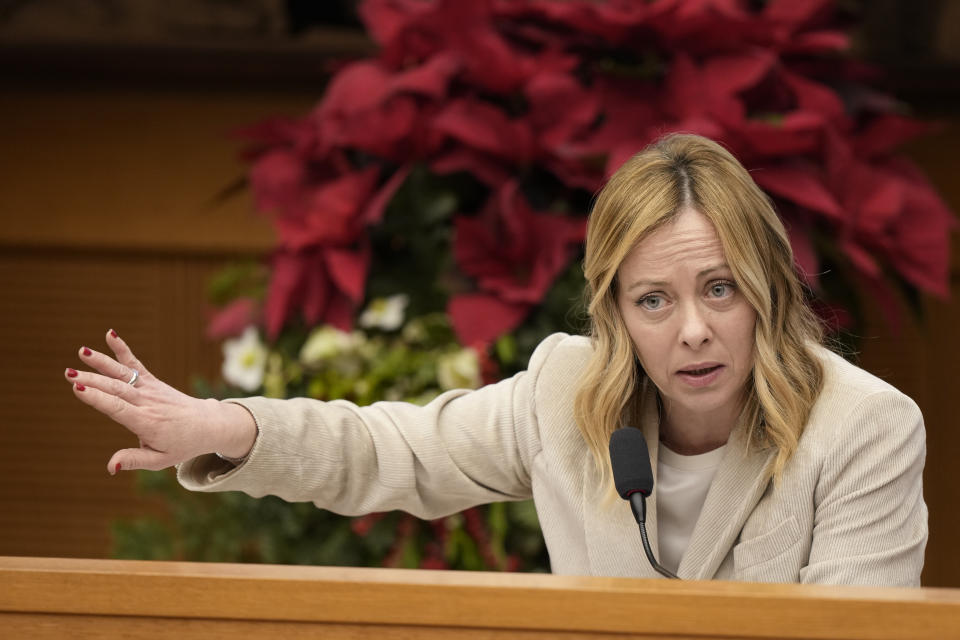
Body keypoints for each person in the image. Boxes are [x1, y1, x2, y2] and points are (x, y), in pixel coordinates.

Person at [65, 133, 927, 586]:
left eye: (720, 289)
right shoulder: (566, 392)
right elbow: (386, 450)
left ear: (768, 289)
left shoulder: (863, 429)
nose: (692, 331)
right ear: (617, 316)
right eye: (654, 300)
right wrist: (227, 426)